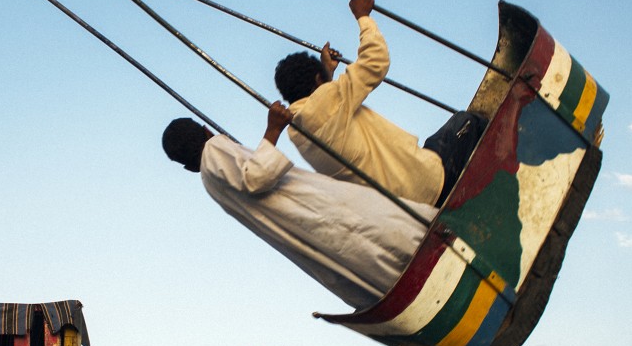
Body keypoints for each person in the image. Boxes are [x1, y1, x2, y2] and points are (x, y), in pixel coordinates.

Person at [162, 104, 436, 309]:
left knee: (361, 255)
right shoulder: (215, 148)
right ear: (207, 130)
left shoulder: (210, 183)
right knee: (383, 227)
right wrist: (273, 128)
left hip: (303, 226)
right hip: (312, 207)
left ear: (187, 167)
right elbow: (257, 176)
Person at [275, 0, 486, 208]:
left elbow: (324, 110)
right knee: (468, 121)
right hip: (429, 185)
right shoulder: (329, 100)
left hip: (407, 208)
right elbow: (376, 60)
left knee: (432, 144)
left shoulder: (299, 134)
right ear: (318, 80)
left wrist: (326, 75)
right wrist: (363, 17)